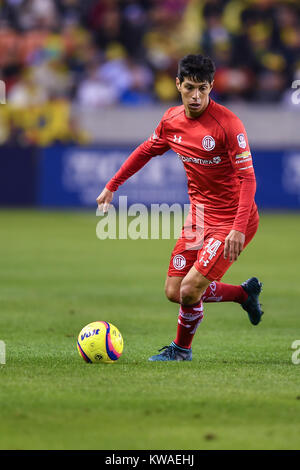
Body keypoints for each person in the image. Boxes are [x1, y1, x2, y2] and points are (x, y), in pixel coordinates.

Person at [96, 54, 263, 361]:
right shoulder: (171, 121)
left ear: (212, 86)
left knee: (189, 291)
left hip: (231, 221)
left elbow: (248, 179)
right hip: (199, 218)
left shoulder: (229, 125)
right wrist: (112, 185)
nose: (196, 96)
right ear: (178, 84)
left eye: (202, 88)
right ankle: (243, 294)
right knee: (174, 291)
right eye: (189, 87)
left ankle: (181, 350)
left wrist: (238, 228)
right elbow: (146, 150)